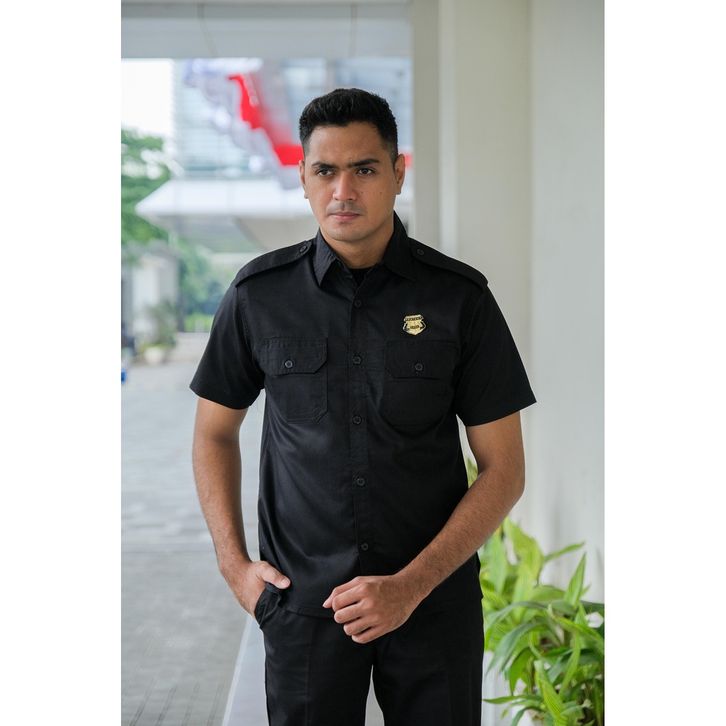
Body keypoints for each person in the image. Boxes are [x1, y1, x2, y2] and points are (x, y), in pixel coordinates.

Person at [190, 88, 536, 726]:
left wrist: (411, 585)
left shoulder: (460, 299)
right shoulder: (258, 295)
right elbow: (214, 431)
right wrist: (234, 567)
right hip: (303, 607)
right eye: (325, 170)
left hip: (432, 605)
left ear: (398, 173)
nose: (342, 191)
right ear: (303, 178)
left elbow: (505, 468)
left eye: (365, 169)